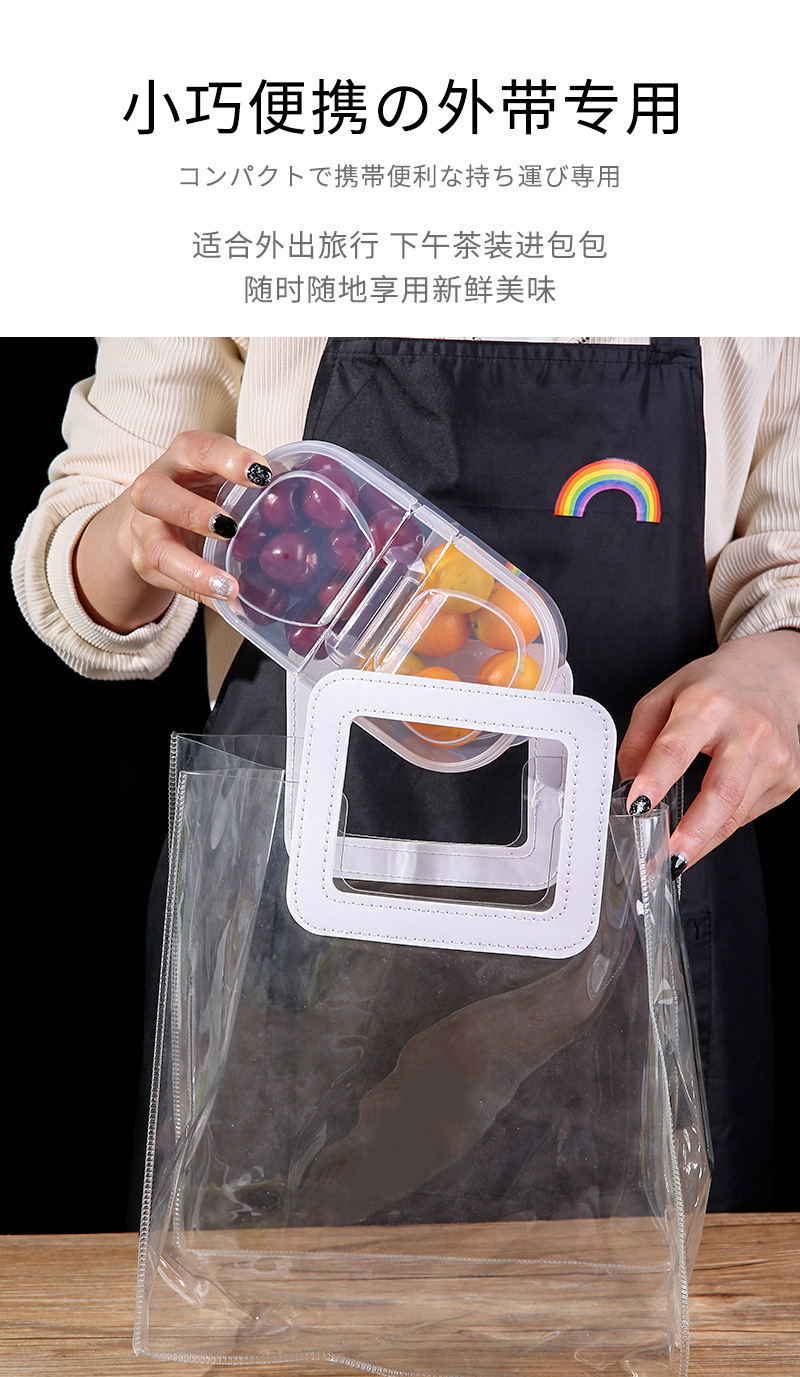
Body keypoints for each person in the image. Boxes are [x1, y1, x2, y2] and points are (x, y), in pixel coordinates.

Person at [12, 335, 800, 1211]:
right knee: (262, 1269)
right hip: (298, 912)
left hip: (629, 896)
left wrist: (786, 663)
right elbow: (88, 541)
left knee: (652, 1279)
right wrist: (135, 536)